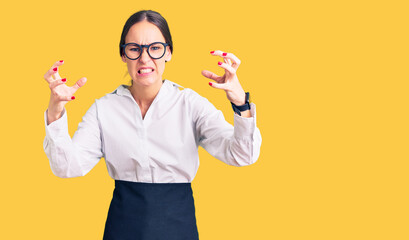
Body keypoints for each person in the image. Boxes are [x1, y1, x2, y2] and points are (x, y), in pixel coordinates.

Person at [43, 10, 262, 240]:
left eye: (155, 48)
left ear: (168, 52)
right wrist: (56, 110)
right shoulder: (103, 109)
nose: (144, 58)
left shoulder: (190, 103)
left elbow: (243, 155)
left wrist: (240, 103)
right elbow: (67, 167)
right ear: (123, 54)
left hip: (179, 228)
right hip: (122, 229)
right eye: (134, 49)